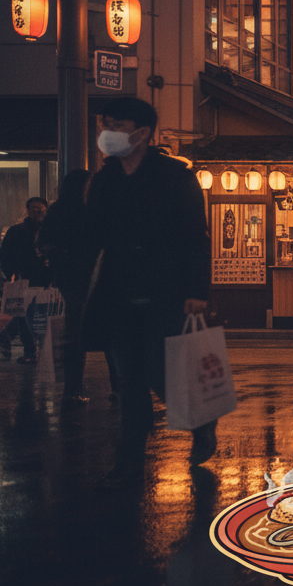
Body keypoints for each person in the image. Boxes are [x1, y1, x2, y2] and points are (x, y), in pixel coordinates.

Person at [82, 97, 213, 489]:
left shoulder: (175, 177)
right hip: (118, 292)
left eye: (116, 126)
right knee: (129, 379)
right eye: (104, 125)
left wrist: (197, 290)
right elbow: (93, 236)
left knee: (160, 373)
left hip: (166, 291)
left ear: (141, 133)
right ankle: (129, 462)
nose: (107, 133)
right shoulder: (104, 179)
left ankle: (201, 423)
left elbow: (195, 236)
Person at [36, 171, 95, 402]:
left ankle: (72, 388)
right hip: (91, 275)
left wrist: (57, 259)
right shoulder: (91, 209)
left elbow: (42, 243)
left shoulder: (57, 210)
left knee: (73, 331)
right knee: (107, 329)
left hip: (67, 276)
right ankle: (116, 388)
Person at [1, 197, 50, 363]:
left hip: (44, 279)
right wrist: (10, 274)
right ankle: (30, 351)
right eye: (33, 208)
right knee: (25, 315)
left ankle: (10, 340)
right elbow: (6, 254)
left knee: (31, 315)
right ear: (28, 210)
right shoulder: (17, 231)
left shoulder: (49, 230)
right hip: (25, 278)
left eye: (40, 208)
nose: (37, 211)